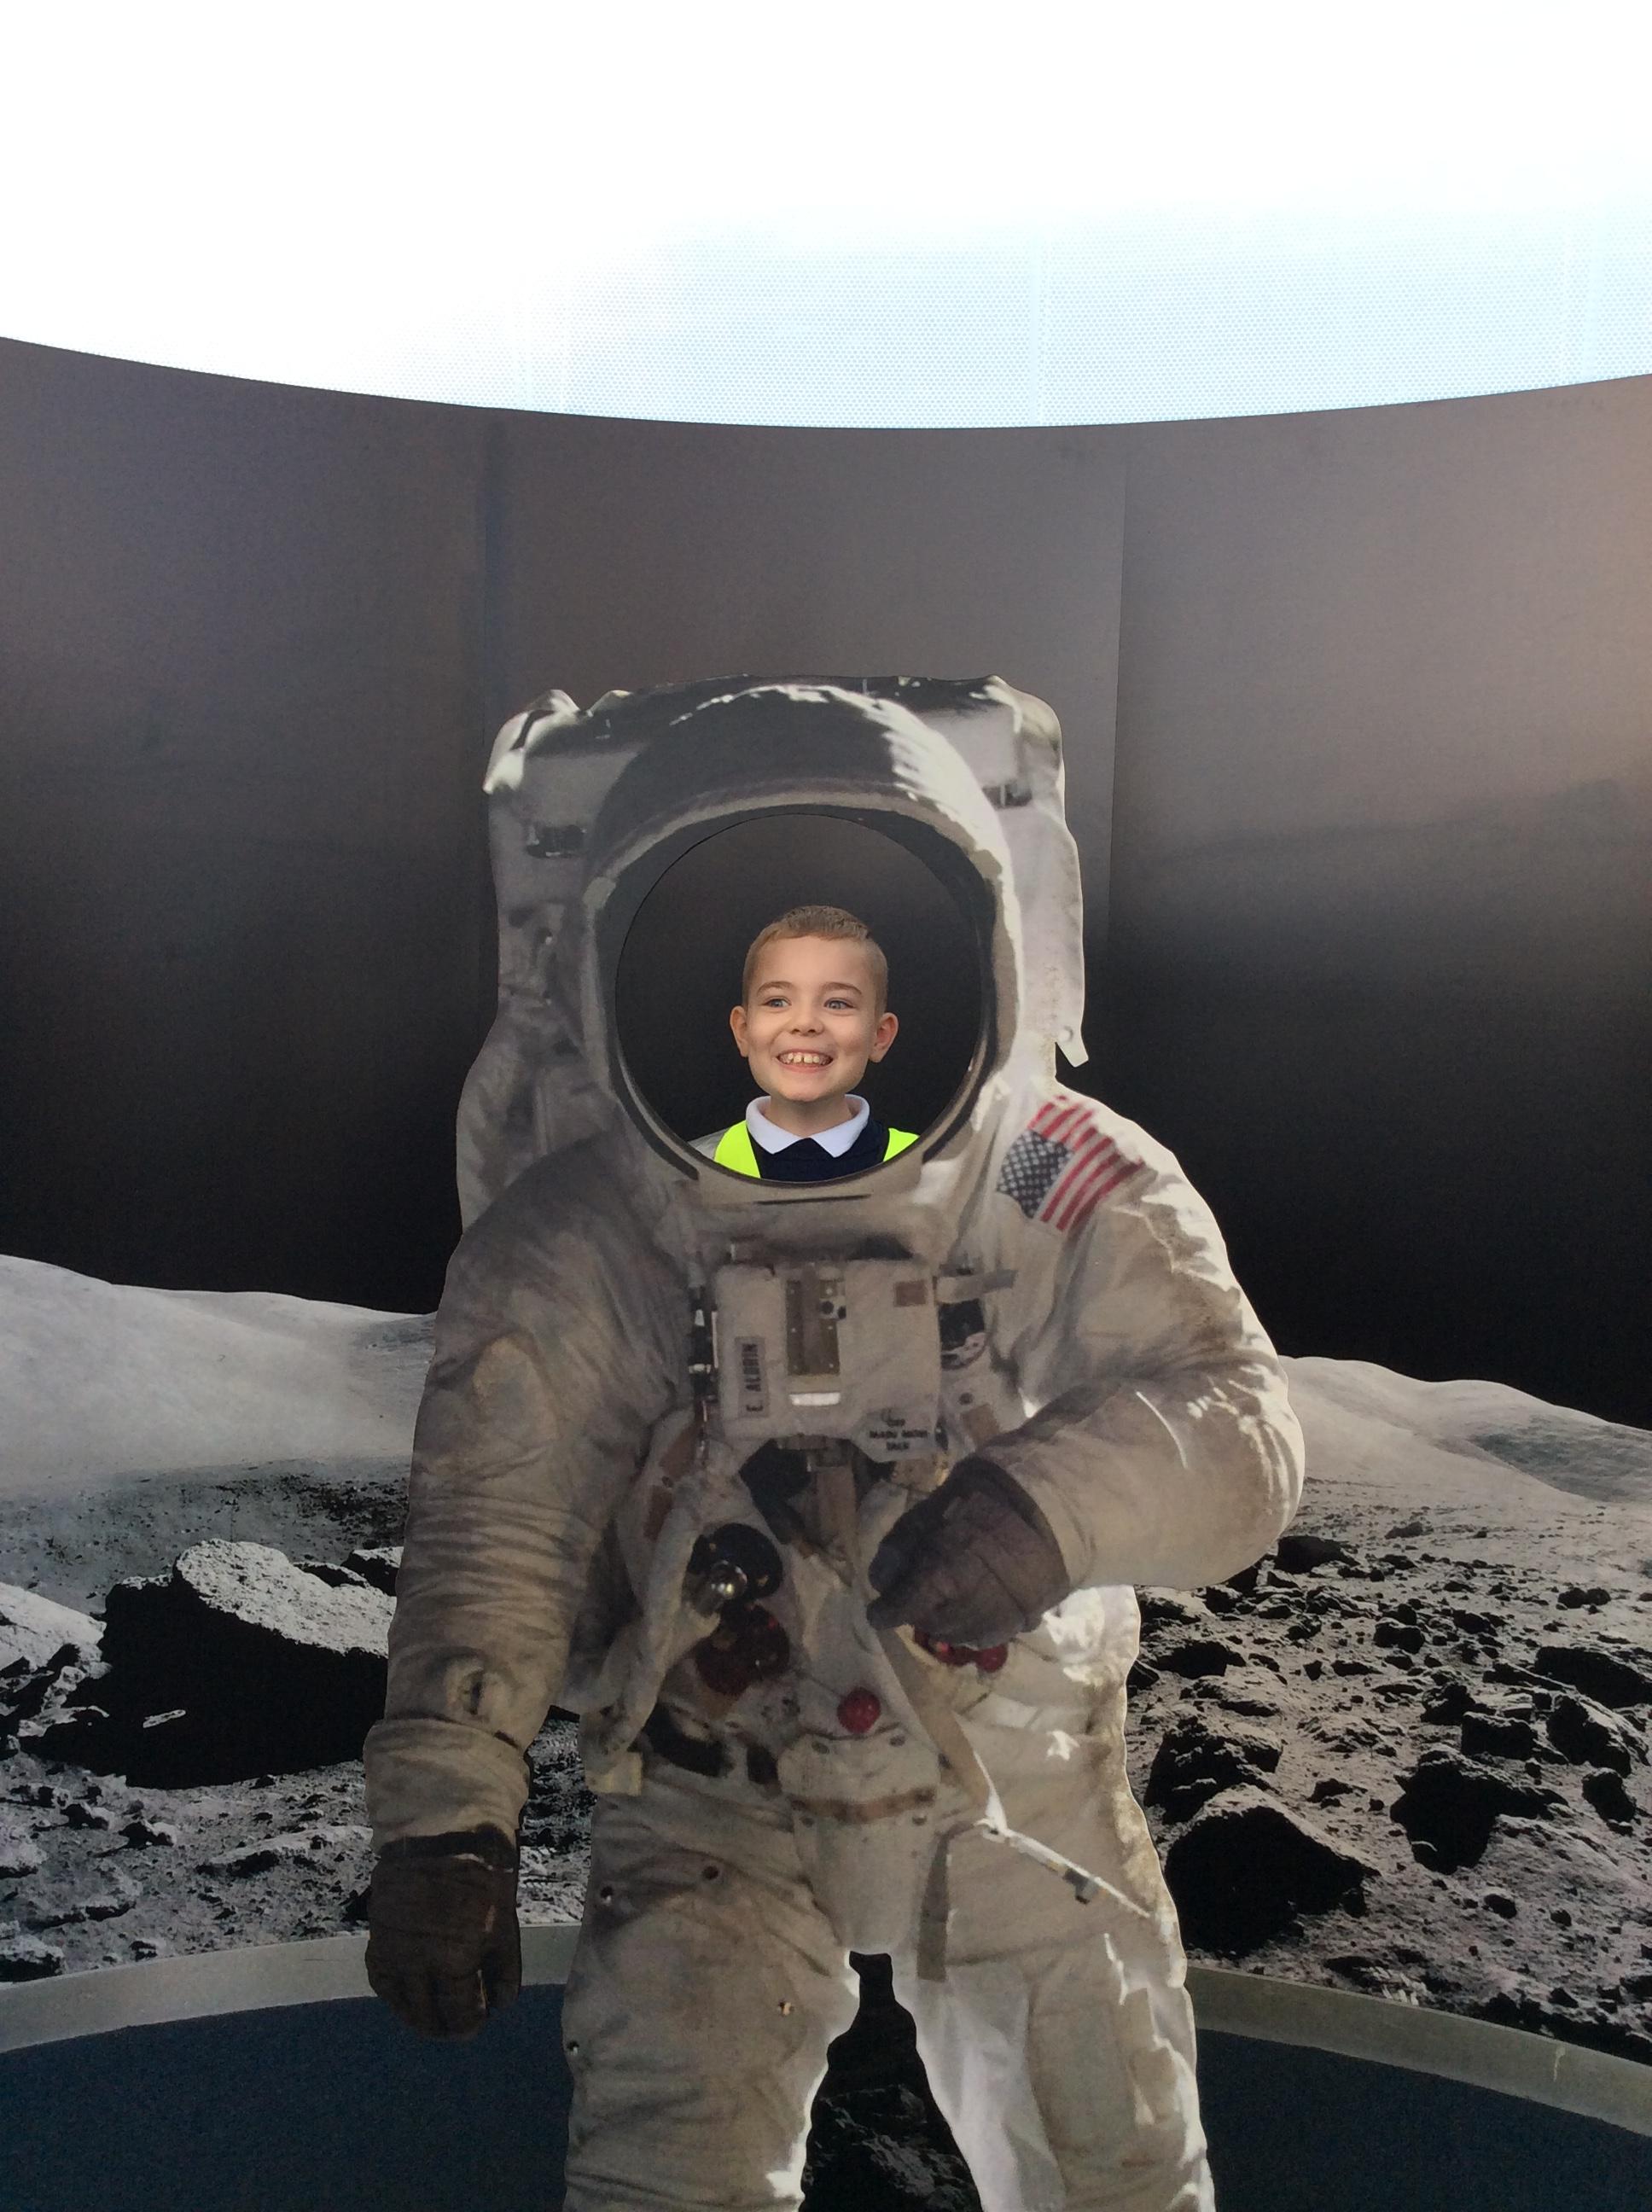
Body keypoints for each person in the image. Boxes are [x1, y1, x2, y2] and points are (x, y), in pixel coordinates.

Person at [363, 676, 1305, 2212]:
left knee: (1112, 2167)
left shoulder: (1044, 1174)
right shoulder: (593, 1229)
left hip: (1007, 1764)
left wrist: (1042, 1514)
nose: (810, 1031)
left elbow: (1235, 1423)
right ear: (713, 1009)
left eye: (844, 997)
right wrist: (444, 1820)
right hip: (712, 1777)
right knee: (673, 2172)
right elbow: (500, 1532)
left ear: (916, 998)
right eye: (775, 997)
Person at [692, 904, 916, 1181]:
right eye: (777, 1002)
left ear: (879, 1036)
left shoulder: (935, 1172)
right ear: (744, 1031)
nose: (805, 1022)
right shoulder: (685, 1171)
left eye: (837, 1003)